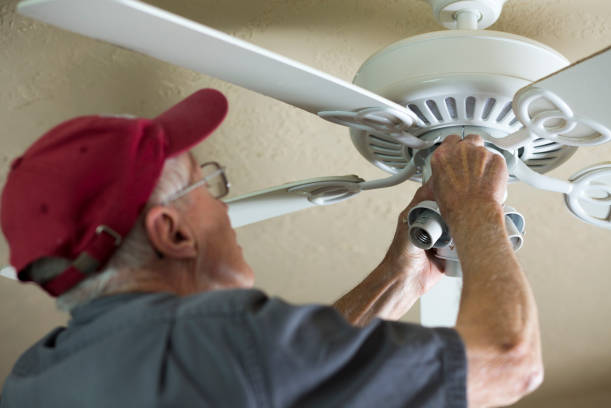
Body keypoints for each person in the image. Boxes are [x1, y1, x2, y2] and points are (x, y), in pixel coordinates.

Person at [0, 89, 542, 407]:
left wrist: (400, 279)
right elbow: (509, 360)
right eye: (207, 185)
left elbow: (281, 385)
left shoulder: (32, 378)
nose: (222, 204)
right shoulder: (218, 337)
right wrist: (475, 204)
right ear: (173, 233)